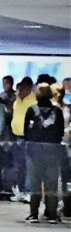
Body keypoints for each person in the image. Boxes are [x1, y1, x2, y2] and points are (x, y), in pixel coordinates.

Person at [24, 83, 64, 224]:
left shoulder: (31, 110)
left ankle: (33, 214)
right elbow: (60, 133)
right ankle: (52, 214)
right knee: (51, 183)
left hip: (34, 153)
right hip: (53, 152)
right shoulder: (57, 111)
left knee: (34, 183)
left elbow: (26, 133)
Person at [10, 77, 37, 202]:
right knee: (19, 166)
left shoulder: (33, 101)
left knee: (28, 166)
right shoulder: (17, 101)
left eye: (21, 88)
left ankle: (28, 191)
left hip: (28, 138)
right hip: (16, 137)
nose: (19, 91)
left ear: (28, 88)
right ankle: (20, 190)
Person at [51, 83, 71, 217]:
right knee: (55, 178)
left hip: (65, 146)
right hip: (54, 146)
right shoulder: (51, 108)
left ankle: (65, 205)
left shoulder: (66, 108)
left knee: (64, 178)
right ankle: (55, 205)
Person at [0, 76, 16, 140]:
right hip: (3, 122)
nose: (4, 85)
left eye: (6, 83)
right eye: (3, 83)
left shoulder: (16, 96)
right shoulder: (0, 96)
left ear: (11, 83)